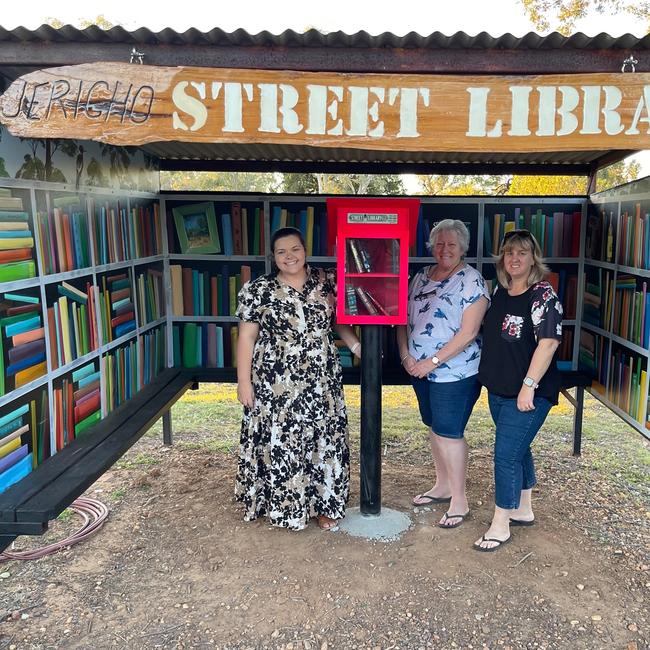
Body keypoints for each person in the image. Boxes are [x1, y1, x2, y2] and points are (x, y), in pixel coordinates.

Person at [235, 226, 361, 531]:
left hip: (321, 378)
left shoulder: (327, 281)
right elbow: (247, 339)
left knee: (323, 439)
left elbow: (339, 322)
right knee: (283, 440)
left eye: (294, 249)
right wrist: (243, 382)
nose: (289, 256)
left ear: (305, 250)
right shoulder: (258, 289)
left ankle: (324, 506)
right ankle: (284, 506)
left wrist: (357, 345)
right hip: (277, 381)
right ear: (273, 257)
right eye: (281, 252)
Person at [397, 219, 489, 529]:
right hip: (418, 368)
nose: (444, 249)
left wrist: (432, 361)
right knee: (434, 427)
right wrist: (406, 355)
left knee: (450, 433)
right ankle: (442, 485)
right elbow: (402, 319)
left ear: (462, 247)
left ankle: (459, 500)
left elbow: (469, 332)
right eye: (439, 243)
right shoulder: (421, 276)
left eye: (451, 244)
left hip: (455, 372)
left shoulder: (472, 281)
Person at [475, 229, 563, 552]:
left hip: (528, 394)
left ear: (533, 259)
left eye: (522, 253)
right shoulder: (500, 292)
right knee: (519, 448)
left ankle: (501, 523)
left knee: (505, 454)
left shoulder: (543, 295)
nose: (515, 259)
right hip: (498, 391)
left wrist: (528, 386)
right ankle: (524, 508)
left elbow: (549, 342)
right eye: (510, 252)